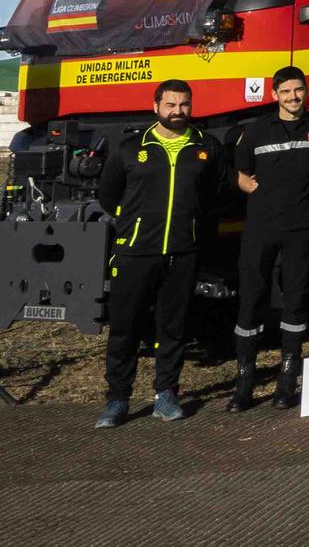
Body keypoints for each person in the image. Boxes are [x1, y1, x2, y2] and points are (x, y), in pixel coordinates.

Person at [94, 80, 222, 428]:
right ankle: (117, 400)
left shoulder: (206, 147)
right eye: (170, 105)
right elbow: (109, 195)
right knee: (125, 327)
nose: (177, 112)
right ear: (156, 107)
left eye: (183, 105)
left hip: (182, 253)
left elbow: (212, 195)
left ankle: (166, 395)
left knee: (173, 326)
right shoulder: (130, 149)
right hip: (135, 252)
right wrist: (134, 227)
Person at [228, 64, 309, 412]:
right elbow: (239, 170)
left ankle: (288, 377)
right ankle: (244, 379)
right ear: (275, 95)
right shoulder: (257, 130)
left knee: (295, 301)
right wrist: (244, 183)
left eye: (298, 90)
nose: (292, 97)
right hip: (261, 229)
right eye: (285, 92)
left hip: (302, 231)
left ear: (306, 91)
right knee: (251, 299)